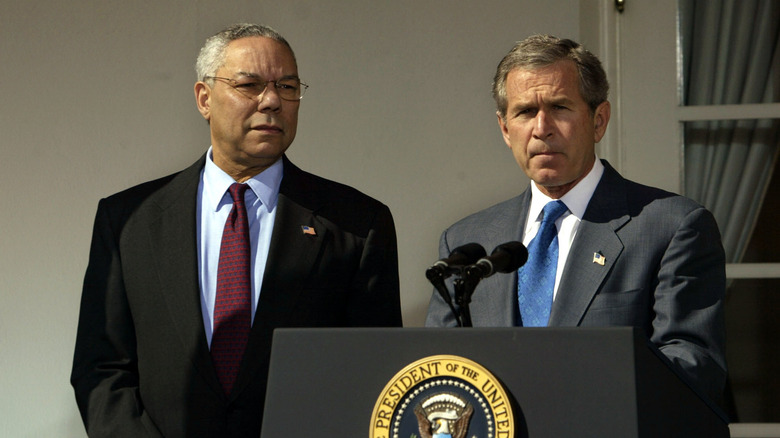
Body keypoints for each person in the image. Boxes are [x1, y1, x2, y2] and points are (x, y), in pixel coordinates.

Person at [71, 23, 402, 437]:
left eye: (287, 86)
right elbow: (101, 369)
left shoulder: (355, 224)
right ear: (204, 98)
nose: (271, 101)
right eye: (249, 85)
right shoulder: (128, 220)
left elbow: (373, 376)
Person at [425, 35, 726, 405]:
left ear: (598, 121)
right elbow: (439, 370)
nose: (541, 128)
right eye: (524, 112)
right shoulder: (467, 241)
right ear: (505, 129)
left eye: (560, 107)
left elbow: (693, 367)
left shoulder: (671, 226)